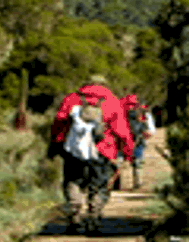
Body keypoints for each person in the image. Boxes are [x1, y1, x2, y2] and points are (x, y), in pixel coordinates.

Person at [50, 74, 134, 234]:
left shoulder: (72, 98)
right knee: (99, 187)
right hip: (103, 150)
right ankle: (93, 221)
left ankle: (74, 218)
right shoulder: (111, 101)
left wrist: (55, 144)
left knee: (73, 183)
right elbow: (122, 132)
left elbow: (59, 121)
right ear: (104, 85)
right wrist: (127, 153)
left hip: (74, 150)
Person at [120, 93, 156, 189]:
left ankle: (137, 182)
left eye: (132, 104)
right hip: (124, 140)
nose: (131, 107)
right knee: (121, 162)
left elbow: (150, 129)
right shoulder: (122, 112)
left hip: (136, 140)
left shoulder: (142, 113)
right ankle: (119, 183)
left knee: (136, 162)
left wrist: (145, 134)